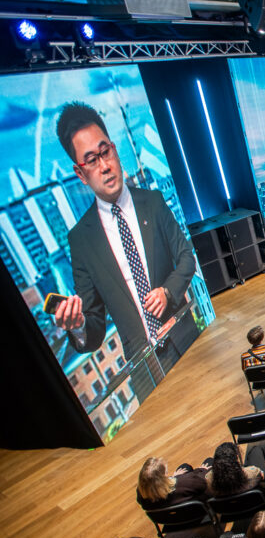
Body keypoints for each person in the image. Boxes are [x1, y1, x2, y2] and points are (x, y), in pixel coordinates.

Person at [53, 102, 197, 359]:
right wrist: (79, 326)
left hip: (187, 339)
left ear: (114, 150)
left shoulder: (152, 202)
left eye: (105, 151)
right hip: (145, 367)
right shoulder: (81, 240)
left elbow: (186, 256)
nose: (104, 166)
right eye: (91, 160)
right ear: (80, 174)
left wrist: (167, 292)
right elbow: (95, 328)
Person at [136, 456, 208, 510]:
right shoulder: (187, 482)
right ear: (163, 477)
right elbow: (204, 484)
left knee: (185, 467)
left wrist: (174, 477)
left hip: (167, 517)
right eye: (166, 472)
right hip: (193, 513)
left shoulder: (141, 492)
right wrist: (202, 470)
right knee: (209, 461)